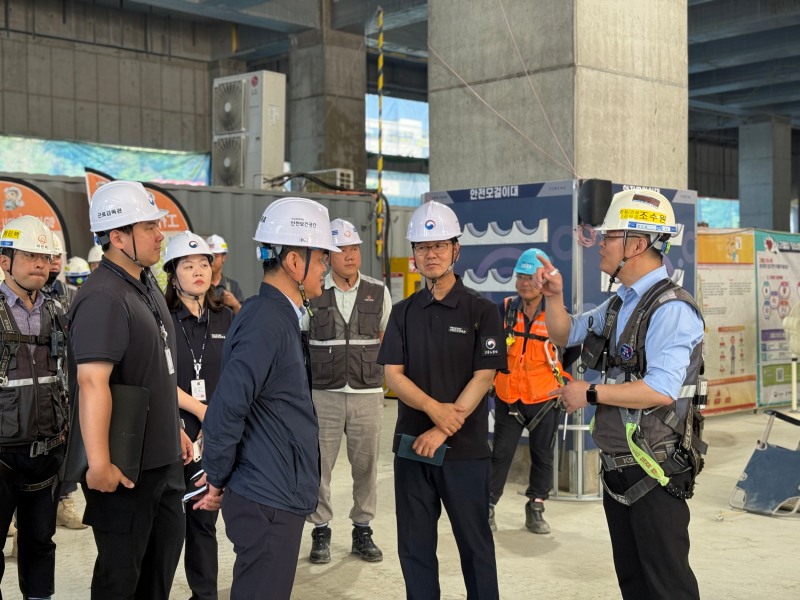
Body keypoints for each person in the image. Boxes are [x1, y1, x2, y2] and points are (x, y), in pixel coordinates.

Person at [536, 189, 705, 600]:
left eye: (608, 237)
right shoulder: (618, 304)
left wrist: (589, 393)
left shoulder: (671, 309)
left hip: (656, 470)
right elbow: (566, 332)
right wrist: (554, 296)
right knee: (635, 585)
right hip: (618, 468)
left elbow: (660, 390)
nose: (600, 246)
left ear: (637, 244)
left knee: (668, 586)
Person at [68, 180, 203, 599]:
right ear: (117, 236)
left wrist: (173, 429)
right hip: (126, 472)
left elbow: (153, 373)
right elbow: (92, 383)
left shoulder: (144, 285)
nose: (161, 235)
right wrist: (100, 464)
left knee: (156, 577)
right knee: (120, 579)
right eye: (149, 227)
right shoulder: (103, 297)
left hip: (162, 463)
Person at [202, 197, 339, 600]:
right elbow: (229, 404)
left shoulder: (274, 315)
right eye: (321, 260)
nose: (326, 269)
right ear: (295, 262)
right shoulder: (266, 320)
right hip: (267, 498)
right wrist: (217, 475)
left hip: (273, 490)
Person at [377, 201, 507, 599]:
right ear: (413, 255)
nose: (430, 254)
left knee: (475, 547)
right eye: (422, 247)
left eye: (438, 246)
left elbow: (484, 376)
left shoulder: (481, 310)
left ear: (456, 250)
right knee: (415, 548)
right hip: (414, 448)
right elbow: (393, 375)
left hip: (465, 451)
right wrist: (435, 413)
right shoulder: (402, 312)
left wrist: (444, 427)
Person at [303, 218, 392, 564]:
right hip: (322, 394)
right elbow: (300, 339)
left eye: (355, 248)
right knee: (319, 465)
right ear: (328, 255)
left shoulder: (378, 291)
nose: (351, 255)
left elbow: (388, 338)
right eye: (343, 249)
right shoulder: (312, 290)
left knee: (366, 465)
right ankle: (321, 529)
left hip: (367, 394)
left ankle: (362, 529)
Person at [0, 216, 69, 599]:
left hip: (46, 456)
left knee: (40, 543)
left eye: (45, 256)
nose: (40, 264)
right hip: (2, 456)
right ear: (5, 260)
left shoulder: (59, 311)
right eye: (30, 255)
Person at [164, 231, 234, 600]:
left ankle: (204, 595)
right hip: (175, 431)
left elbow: (238, 376)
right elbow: (160, 378)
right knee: (173, 522)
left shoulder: (226, 318)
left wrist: (218, 419)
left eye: (204, 264)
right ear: (173, 274)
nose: (198, 272)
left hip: (218, 433)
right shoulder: (163, 319)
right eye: (188, 265)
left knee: (206, 518)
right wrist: (201, 412)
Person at [489, 248, 570, 534]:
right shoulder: (504, 309)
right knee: (500, 454)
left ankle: (536, 507)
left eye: (531, 277)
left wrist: (565, 387)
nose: (524, 283)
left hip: (545, 398)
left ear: (544, 279)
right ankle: (488, 506)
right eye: (520, 276)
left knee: (543, 455)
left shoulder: (556, 312)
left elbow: (569, 352)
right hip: (509, 395)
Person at [206, 234, 244, 314]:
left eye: (215, 256)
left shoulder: (233, 286)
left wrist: (235, 304)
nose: (211, 261)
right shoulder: (200, 286)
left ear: (224, 258)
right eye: (209, 257)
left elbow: (244, 318)